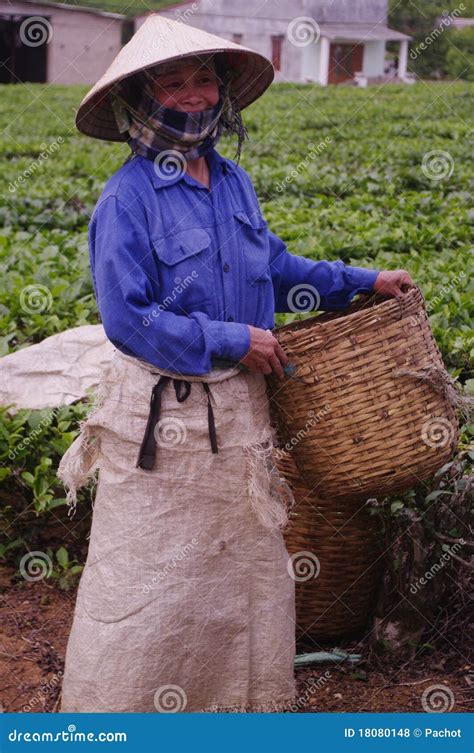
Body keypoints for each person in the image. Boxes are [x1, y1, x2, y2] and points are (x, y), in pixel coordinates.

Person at [57, 15, 414, 713]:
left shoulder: (232, 182)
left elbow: (275, 267)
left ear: (221, 93)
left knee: (240, 582)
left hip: (240, 421)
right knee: (155, 587)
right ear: (140, 98)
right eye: (174, 81)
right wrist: (229, 338)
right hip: (167, 430)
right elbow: (129, 320)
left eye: (203, 79)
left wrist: (365, 279)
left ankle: (231, 714)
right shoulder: (126, 200)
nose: (192, 94)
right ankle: (125, 717)